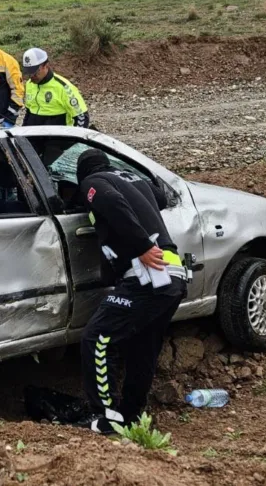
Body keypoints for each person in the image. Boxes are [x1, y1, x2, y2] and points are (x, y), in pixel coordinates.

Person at [75, 149, 187, 435]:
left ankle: (106, 417)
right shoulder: (133, 180)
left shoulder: (93, 182)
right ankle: (130, 417)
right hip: (173, 274)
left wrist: (141, 246)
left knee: (97, 339)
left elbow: (111, 201)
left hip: (146, 274)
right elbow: (161, 198)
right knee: (143, 349)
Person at [20, 48, 90, 128]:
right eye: (28, 72)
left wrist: (75, 135)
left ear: (46, 66)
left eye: (35, 72)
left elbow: (82, 117)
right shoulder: (29, 84)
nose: (31, 76)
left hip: (57, 134)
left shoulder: (64, 87)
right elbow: (29, 112)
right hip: (34, 134)